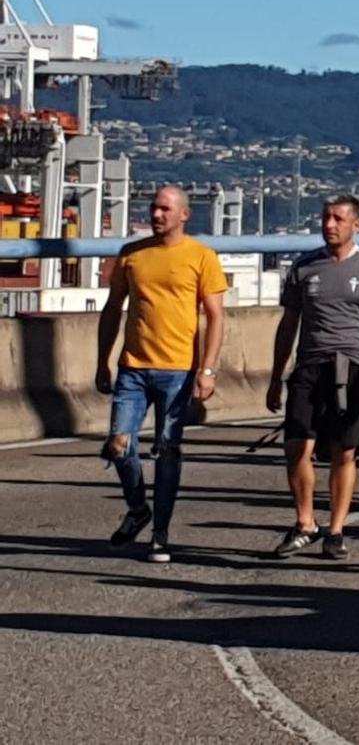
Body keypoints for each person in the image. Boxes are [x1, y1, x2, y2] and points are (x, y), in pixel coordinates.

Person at [265, 196, 359, 560]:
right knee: (297, 446)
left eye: (338, 219)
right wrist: (276, 376)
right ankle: (305, 522)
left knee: (344, 451)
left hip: (353, 369)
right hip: (310, 366)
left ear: (356, 225)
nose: (330, 224)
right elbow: (289, 323)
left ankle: (336, 529)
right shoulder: (304, 266)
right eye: (326, 218)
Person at [93, 186, 227, 563]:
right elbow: (112, 308)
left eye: (165, 209)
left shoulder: (201, 257)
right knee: (119, 444)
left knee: (168, 449)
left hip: (178, 370)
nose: (157, 215)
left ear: (184, 214)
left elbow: (215, 316)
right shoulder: (132, 254)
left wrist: (208, 369)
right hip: (132, 367)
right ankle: (138, 508)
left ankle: (161, 532)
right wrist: (103, 359)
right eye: (154, 208)